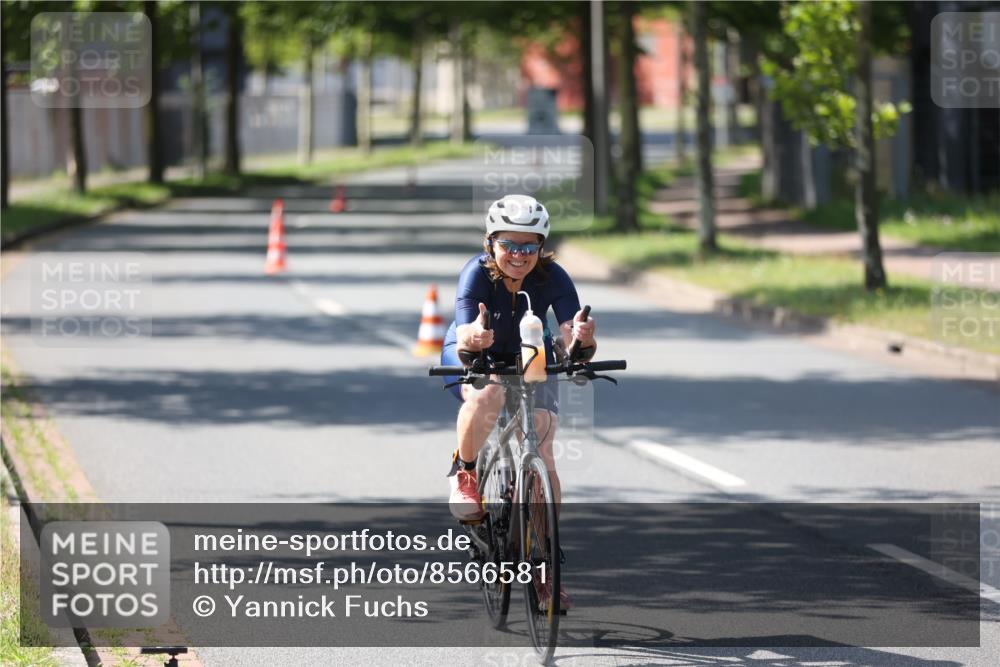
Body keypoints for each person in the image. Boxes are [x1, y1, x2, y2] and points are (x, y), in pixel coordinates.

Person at [439, 194, 597, 607]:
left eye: (530, 246)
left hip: (530, 350)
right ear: (491, 243)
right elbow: (466, 328)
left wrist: (583, 341)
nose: (519, 255)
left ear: (541, 248)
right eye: (510, 245)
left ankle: (545, 561)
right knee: (488, 391)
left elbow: (569, 332)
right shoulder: (474, 274)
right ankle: (466, 472)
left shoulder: (554, 277)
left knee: (543, 446)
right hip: (475, 347)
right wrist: (473, 339)